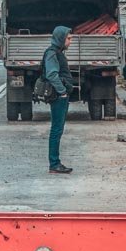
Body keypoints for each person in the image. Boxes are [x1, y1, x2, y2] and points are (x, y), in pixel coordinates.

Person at [42, 25, 74, 174]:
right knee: (56, 129)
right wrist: (62, 92)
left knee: (58, 129)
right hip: (58, 96)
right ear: (60, 38)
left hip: (60, 95)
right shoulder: (52, 53)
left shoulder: (57, 52)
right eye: (68, 38)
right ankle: (54, 163)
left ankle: (55, 162)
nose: (70, 41)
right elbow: (51, 74)